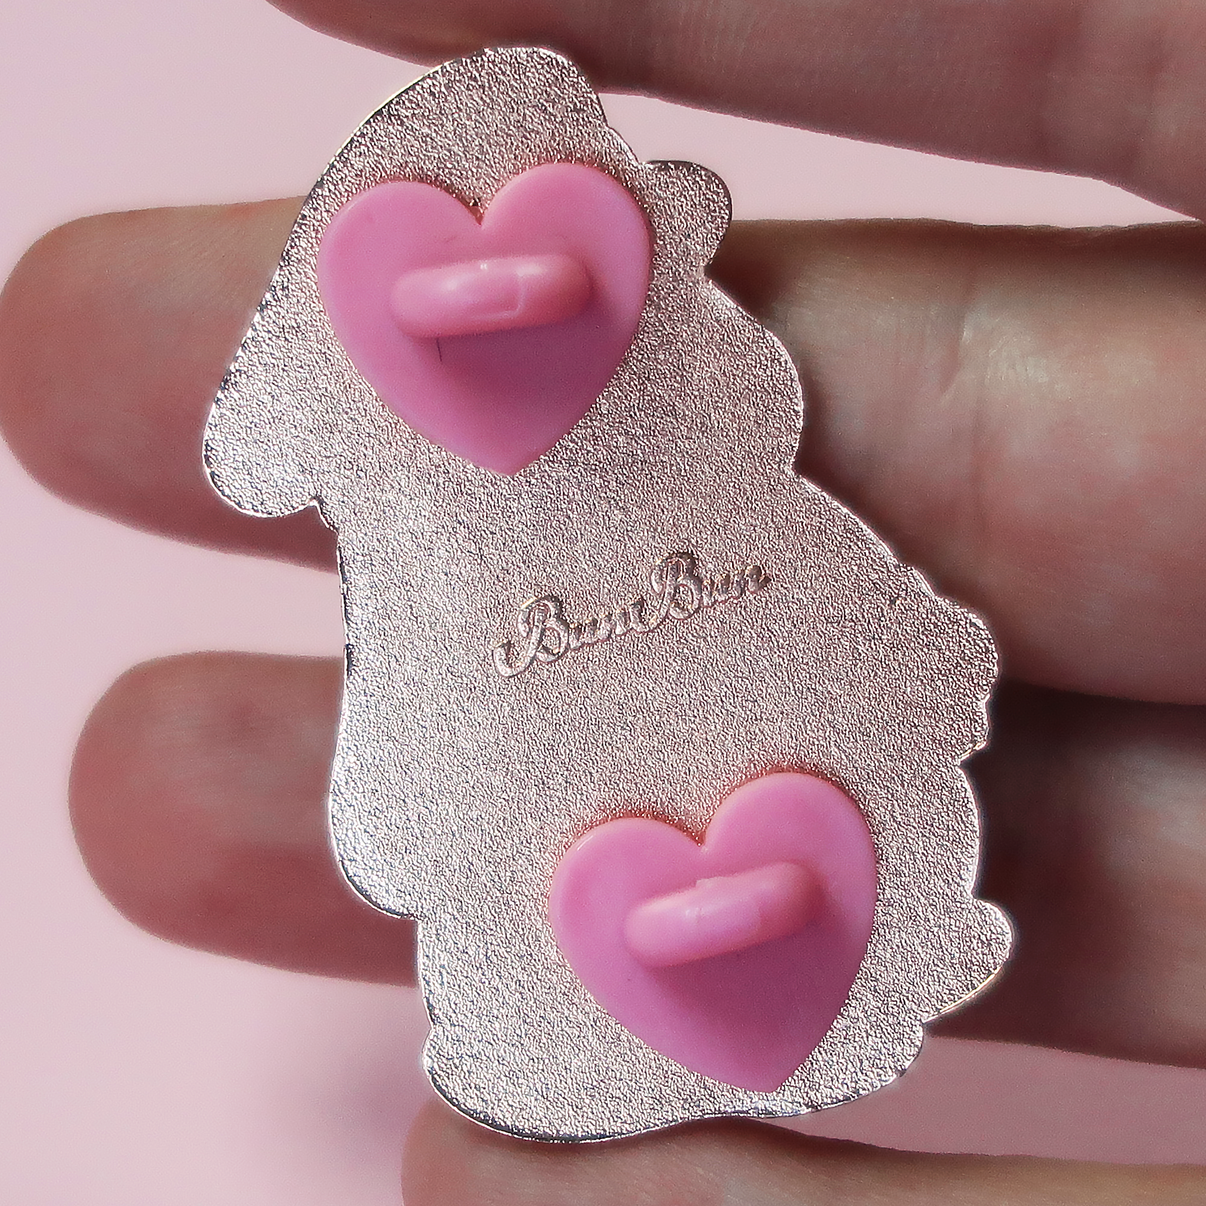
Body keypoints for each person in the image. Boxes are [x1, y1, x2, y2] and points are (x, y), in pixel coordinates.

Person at [1, 1, 1205, 1200]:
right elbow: (407, 755)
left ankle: (871, 973)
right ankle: (566, 1043)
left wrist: (911, 656)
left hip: (836, 882)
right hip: (575, 936)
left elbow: (863, 618)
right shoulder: (433, 611)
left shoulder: (743, 511)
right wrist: (403, 824)